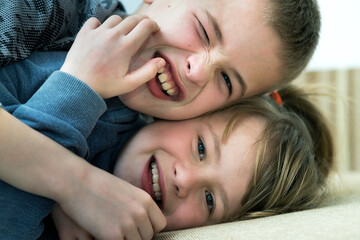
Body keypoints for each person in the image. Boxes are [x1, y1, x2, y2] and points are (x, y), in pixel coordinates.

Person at [0, 0, 322, 238]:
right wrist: (72, 183)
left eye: (226, 81)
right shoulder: (45, 9)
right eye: (204, 31)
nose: (199, 69)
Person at [44, 85, 333, 239]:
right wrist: (56, 187)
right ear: (184, 111)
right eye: (201, 148)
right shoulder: (94, 95)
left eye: (210, 200)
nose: (185, 180)